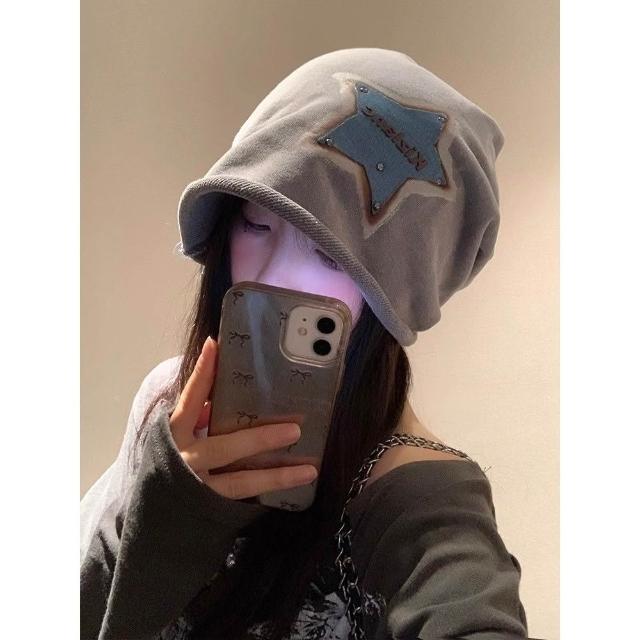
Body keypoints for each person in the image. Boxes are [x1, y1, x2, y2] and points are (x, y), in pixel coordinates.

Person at [80, 48, 529, 639]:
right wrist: (164, 519)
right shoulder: (170, 403)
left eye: (330, 256)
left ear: (395, 301)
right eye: (256, 224)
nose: (271, 276)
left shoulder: (422, 506)